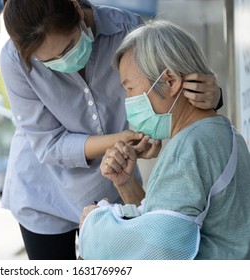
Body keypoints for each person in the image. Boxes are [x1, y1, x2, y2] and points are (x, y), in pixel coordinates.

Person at [0, 0, 222, 260]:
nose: (64, 62)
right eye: (50, 62)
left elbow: (166, 86)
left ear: (76, 9)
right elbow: (49, 145)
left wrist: (213, 95)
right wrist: (123, 140)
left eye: (70, 46)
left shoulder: (126, 29)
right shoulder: (14, 59)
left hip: (112, 187)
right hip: (43, 193)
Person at [78, 20, 250, 260]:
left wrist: (94, 223)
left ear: (169, 80)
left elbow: (160, 251)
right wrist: (126, 183)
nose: (127, 99)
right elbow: (164, 222)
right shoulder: (223, 133)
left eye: (129, 88)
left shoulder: (190, 147)